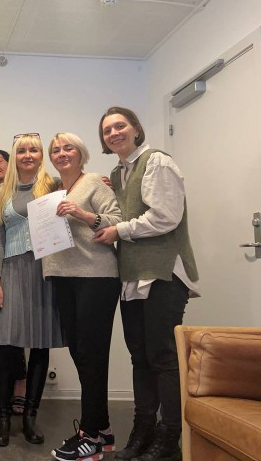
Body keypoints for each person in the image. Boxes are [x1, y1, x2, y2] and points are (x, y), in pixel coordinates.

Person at [94, 107, 199, 461]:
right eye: (107, 130)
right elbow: (128, 210)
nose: (114, 133)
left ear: (136, 129)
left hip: (162, 273)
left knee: (163, 357)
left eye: (120, 125)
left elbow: (165, 217)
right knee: (140, 358)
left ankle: (170, 437)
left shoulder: (157, 162)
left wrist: (118, 230)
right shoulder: (118, 173)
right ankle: (144, 430)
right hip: (133, 275)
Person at [41, 133, 122, 461]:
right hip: (65, 277)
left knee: (91, 353)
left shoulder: (94, 183)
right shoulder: (52, 191)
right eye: (56, 150)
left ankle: (90, 435)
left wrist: (82, 214)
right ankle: (101, 431)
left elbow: (117, 222)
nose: (61, 153)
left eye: (68, 147)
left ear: (81, 153)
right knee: (81, 353)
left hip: (96, 277)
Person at [0, 133, 66, 447]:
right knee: (8, 347)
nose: (28, 155)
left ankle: (30, 417)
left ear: (41, 155)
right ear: (15, 156)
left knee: (40, 345)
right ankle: (3, 417)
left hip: (45, 271)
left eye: (34, 149)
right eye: (22, 150)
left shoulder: (53, 185)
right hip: (11, 271)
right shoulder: (1, 191)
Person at [0, 148, 28, 415]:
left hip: (16, 269)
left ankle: (19, 391)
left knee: (16, 336)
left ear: (10, 163)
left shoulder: (23, 190)